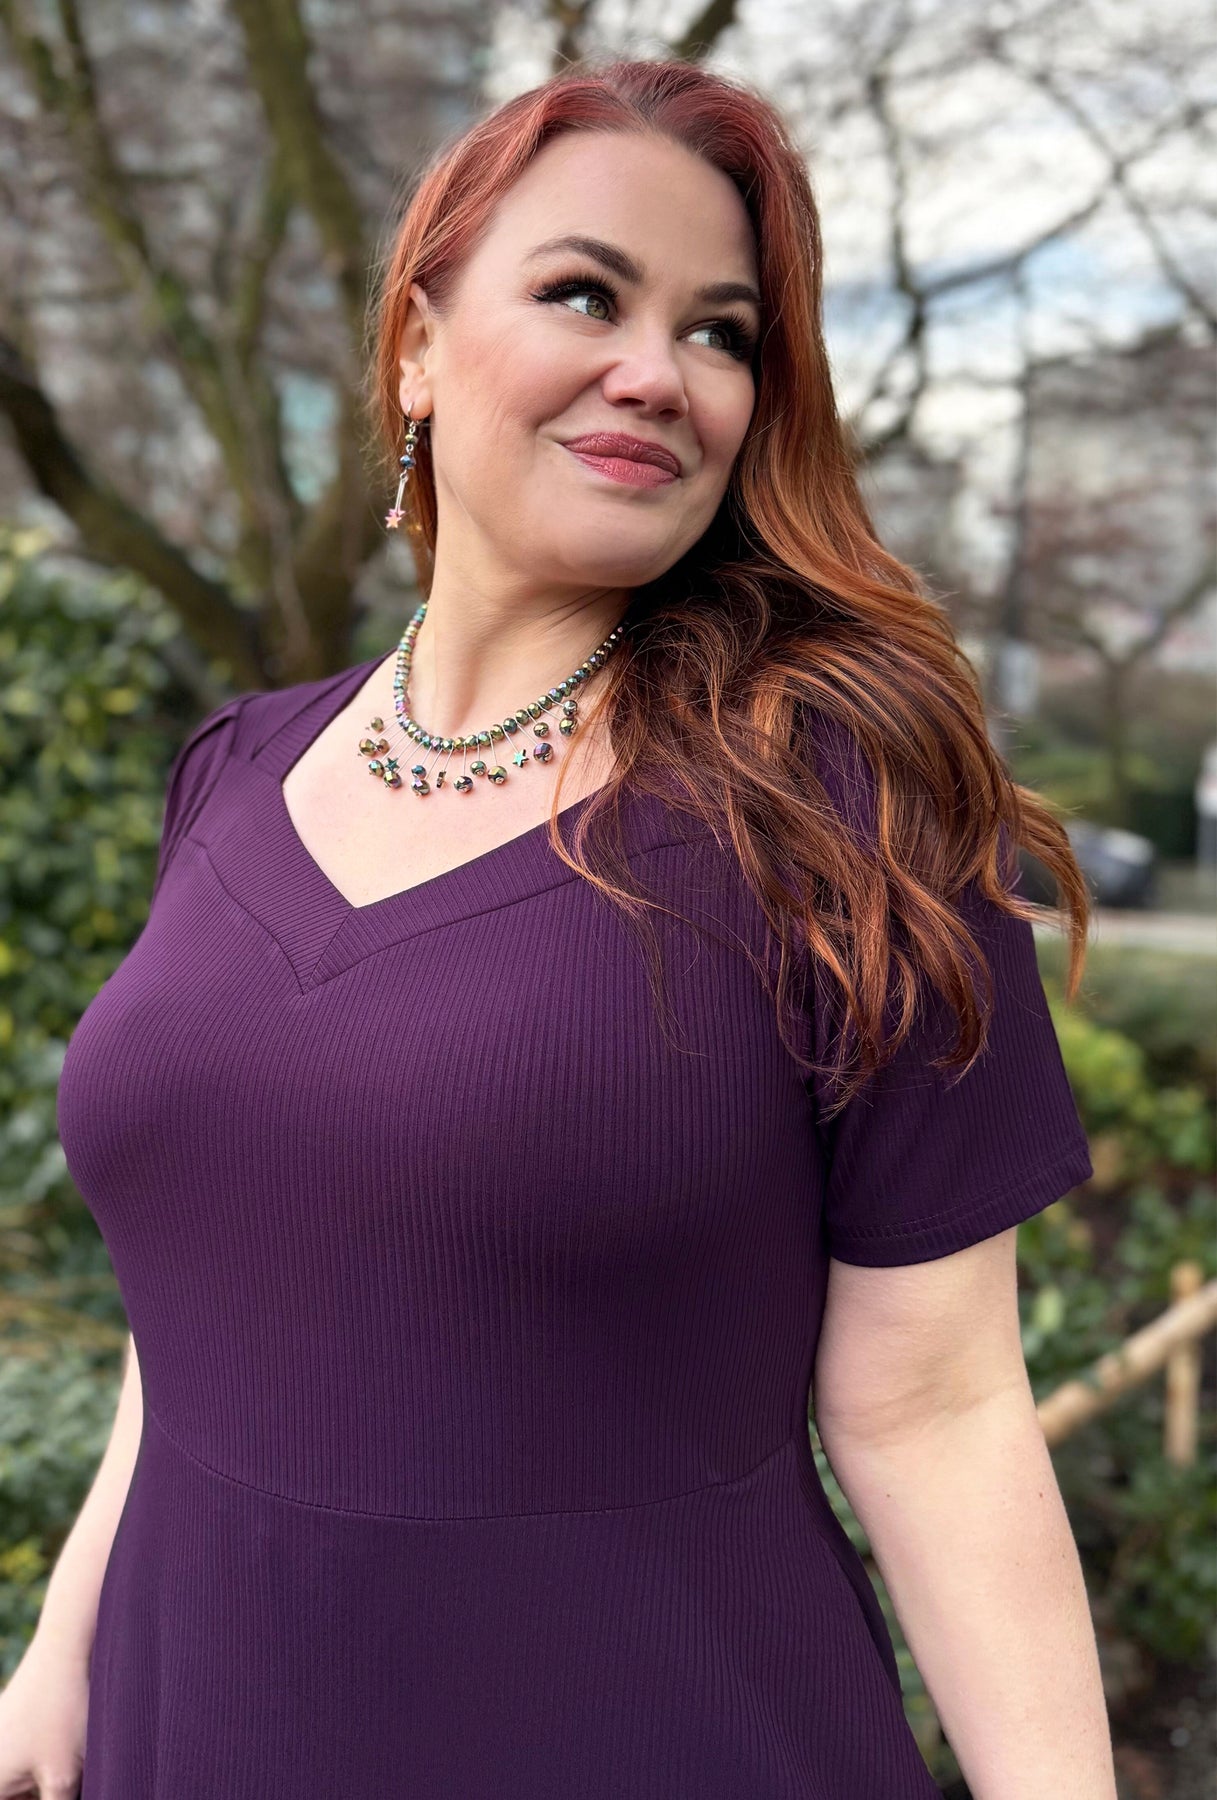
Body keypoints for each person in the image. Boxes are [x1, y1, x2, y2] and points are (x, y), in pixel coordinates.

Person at [0, 55, 1117, 1800]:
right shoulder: (234, 768)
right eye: (586, 293)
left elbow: (938, 1407)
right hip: (189, 1728)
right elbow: (209, 1300)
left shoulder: (840, 814)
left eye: (721, 333)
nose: (656, 372)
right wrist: (57, 1654)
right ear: (416, 345)